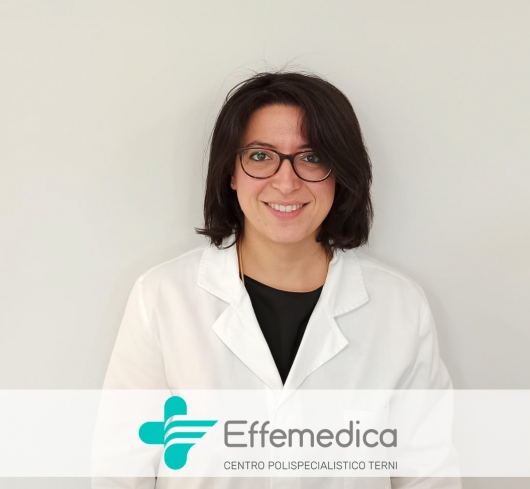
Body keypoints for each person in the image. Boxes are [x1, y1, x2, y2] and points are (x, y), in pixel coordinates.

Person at [95, 72, 459, 488]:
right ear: (231, 173)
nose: (286, 183)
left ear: (339, 174)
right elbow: (120, 472)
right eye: (260, 156)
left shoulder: (399, 308)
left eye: (312, 157)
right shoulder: (163, 298)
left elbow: (429, 475)